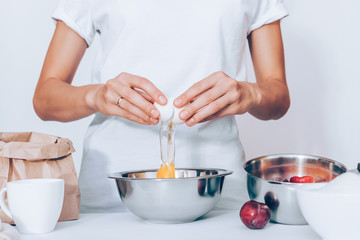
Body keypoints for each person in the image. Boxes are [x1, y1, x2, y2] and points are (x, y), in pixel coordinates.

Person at [33, 0, 290, 212]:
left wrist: (251, 94)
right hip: (112, 196)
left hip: (219, 194)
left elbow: (278, 97)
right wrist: (97, 96)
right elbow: (45, 98)